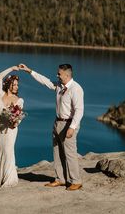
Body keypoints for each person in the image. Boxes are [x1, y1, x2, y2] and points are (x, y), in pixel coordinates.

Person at [19, 63, 84, 191]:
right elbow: (45, 81)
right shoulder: (60, 86)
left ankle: (76, 181)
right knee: (57, 152)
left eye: (59, 74)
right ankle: (60, 179)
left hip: (69, 123)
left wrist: (72, 127)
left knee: (70, 153)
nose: (57, 75)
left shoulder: (76, 89)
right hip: (57, 122)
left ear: (67, 74)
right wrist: (29, 71)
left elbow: (79, 110)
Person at [0, 66, 24, 187]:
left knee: (8, 151)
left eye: (17, 85)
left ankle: (10, 180)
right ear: (9, 84)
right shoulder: (0, 94)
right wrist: (12, 68)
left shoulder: (19, 100)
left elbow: (19, 117)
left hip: (11, 130)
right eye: (15, 84)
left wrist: (15, 121)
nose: (17, 87)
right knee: (1, 152)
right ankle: (2, 178)